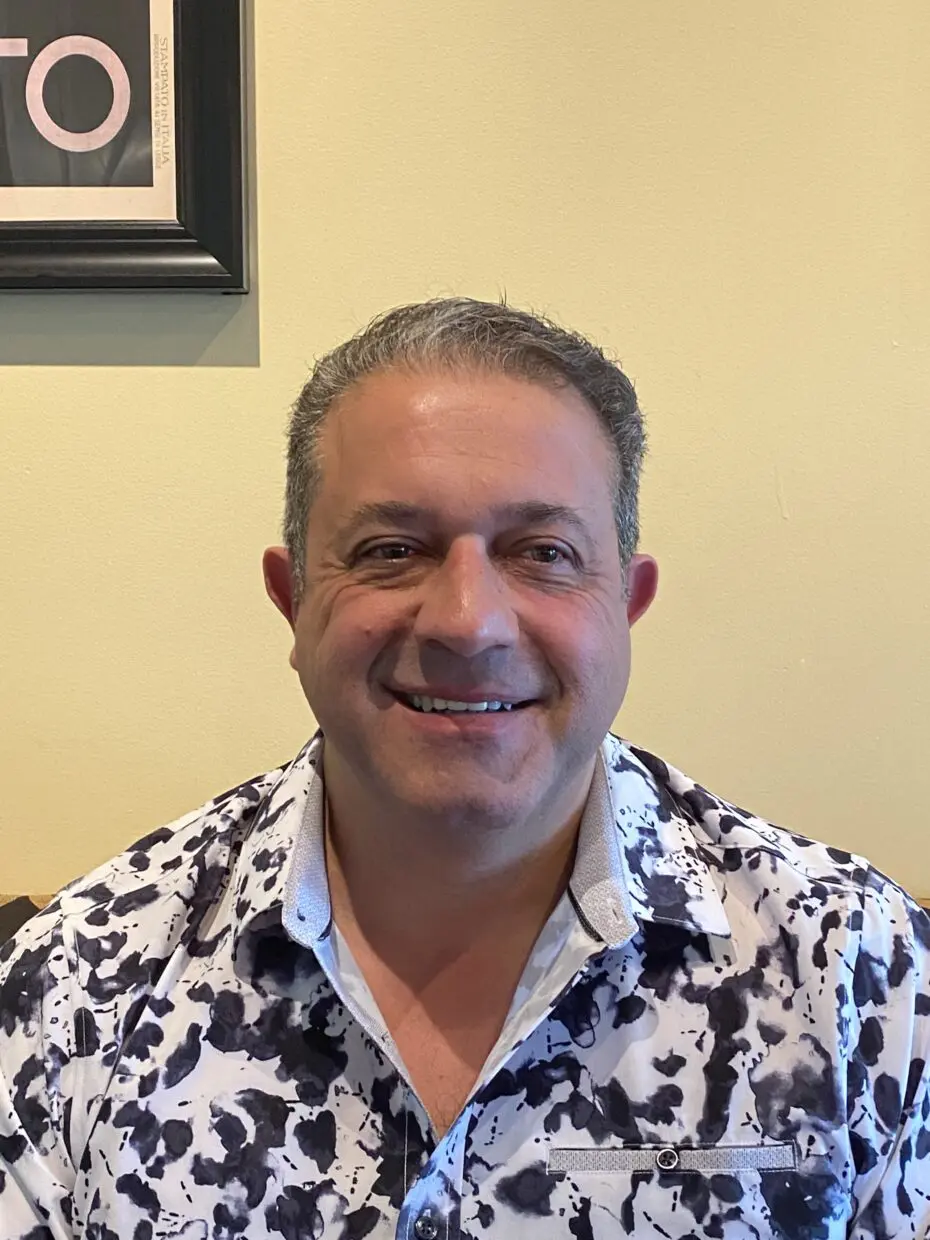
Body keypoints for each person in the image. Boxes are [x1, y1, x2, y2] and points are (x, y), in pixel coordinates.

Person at [0, 298, 927, 1240]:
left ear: (627, 603)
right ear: (293, 600)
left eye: (544, 553)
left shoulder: (858, 971)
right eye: (392, 551)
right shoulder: (73, 990)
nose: (467, 622)